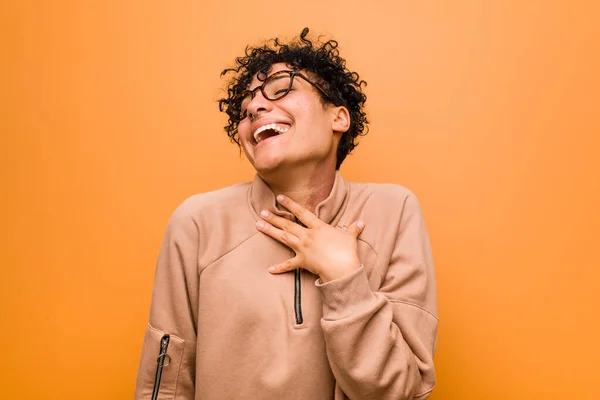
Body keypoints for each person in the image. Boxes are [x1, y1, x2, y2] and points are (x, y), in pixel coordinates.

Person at [134, 28, 438, 400]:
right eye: (245, 108)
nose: (255, 107)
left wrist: (344, 277)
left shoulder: (393, 210)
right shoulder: (197, 222)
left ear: (338, 118)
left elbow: (400, 389)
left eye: (281, 89)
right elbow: (166, 384)